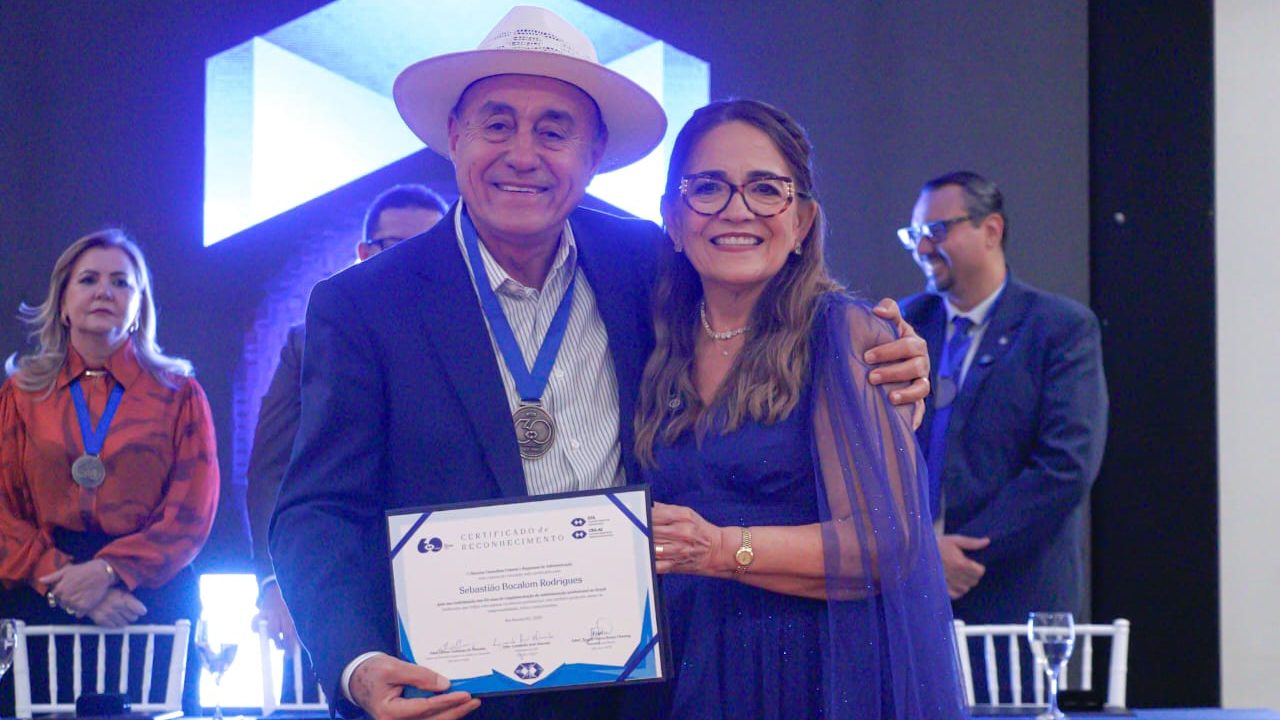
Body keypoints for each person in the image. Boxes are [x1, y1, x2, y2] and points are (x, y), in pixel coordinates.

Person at [269, 7, 931, 720]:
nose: (523, 154)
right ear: (455, 136)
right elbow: (320, 510)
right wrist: (355, 662)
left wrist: (885, 356)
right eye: (498, 125)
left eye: (554, 131)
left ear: (594, 152)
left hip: (648, 692)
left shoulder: (646, 263)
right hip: (454, 698)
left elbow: (777, 318)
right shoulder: (364, 303)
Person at [628, 99, 965, 720]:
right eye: (708, 188)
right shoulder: (657, 346)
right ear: (673, 219)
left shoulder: (845, 336)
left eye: (765, 189)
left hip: (807, 674)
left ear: (803, 220)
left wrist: (721, 548)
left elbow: (885, 542)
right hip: (682, 666)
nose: (736, 210)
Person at [897, 171, 1108, 699]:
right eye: (914, 234)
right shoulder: (902, 325)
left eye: (937, 231)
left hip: (1013, 593)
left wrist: (961, 555)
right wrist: (922, 554)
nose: (923, 247)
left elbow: (1065, 467)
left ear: (991, 230)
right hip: (910, 590)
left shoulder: (1059, 328)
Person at [0, 229, 219, 716]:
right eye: (89, 280)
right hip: (39, 592)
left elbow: (190, 513)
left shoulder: (180, 395)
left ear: (139, 305)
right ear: (62, 303)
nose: (104, 291)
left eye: (121, 282)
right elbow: (2, 512)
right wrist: (66, 585)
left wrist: (110, 572)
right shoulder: (20, 395)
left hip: (149, 595)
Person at [246, 183, 447, 701]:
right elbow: (272, 472)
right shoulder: (309, 339)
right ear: (363, 252)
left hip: (451, 580)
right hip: (346, 581)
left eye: (429, 245)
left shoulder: (474, 340)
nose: (411, 261)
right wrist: (276, 582)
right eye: (394, 246)